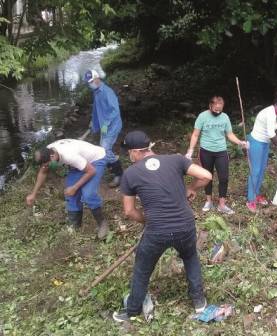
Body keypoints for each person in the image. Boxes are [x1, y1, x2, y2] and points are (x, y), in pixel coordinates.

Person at [113, 130, 213, 322]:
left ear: (135, 152)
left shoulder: (131, 174)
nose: (129, 156)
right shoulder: (176, 160)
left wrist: (146, 220)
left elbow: (129, 211)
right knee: (190, 257)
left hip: (157, 231)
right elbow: (207, 175)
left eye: (129, 153)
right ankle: (199, 303)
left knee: (143, 268)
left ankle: (132, 310)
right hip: (185, 225)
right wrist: (191, 188)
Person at [25, 139, 109, 239]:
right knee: (70, 193)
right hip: (80, 163)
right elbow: (43, 172)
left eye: (47, 165)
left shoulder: (69, 155)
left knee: (88, 194)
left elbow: (91, 171)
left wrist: (75, 187)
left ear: (52, 156)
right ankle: (75, 225)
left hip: (96, 160)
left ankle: (102, 223)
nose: (46, 167)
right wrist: (33, 194)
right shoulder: (48, 152)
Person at [185, 96, 247, 215]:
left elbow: (229, 134)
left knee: (224, 178)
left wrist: (240, 142)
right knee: (207, 177)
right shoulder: (202, 116)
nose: (218, 112)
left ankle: (222, 204)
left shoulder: (225, 117)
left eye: (220, 109)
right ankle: (209, 201)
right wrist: (190, 150)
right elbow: (195, 135)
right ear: (210, 106)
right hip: (206, 151)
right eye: (215, 109)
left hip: (221, 151)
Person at [246, 92, 277, 213]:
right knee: (255, 170)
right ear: (276, 105)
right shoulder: (269, 113)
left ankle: (256, 193)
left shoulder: (274, 113)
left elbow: (273, 133)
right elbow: (271, 134)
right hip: (256, 142)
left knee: (262, 169)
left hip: (264, 143)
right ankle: (250, 200)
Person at [84, 69, 123, 188]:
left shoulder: (107, 92)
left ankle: (119, 174)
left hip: (113, 125)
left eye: (91, 81)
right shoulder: (96, 92)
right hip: (104, 126)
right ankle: (111, 166)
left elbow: (115, 110)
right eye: (88, 82)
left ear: (97, 78)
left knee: (104, 150)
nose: (89, 84)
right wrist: (93, 122)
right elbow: (97, 110)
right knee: (103, 149)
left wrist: (105, 124)